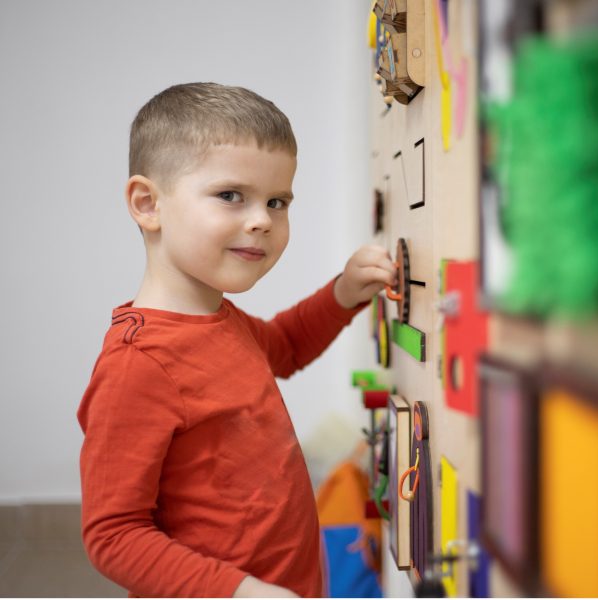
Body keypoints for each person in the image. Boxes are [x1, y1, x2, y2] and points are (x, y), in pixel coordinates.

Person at [77, 82, 397, 598]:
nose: (262, 220)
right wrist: (241, 590)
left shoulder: (222, 319)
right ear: (148, 203)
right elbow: (113, 536)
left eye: (277, 201)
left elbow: (285, 347)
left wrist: (342, 293)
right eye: (231, 196)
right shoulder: (138, 364)